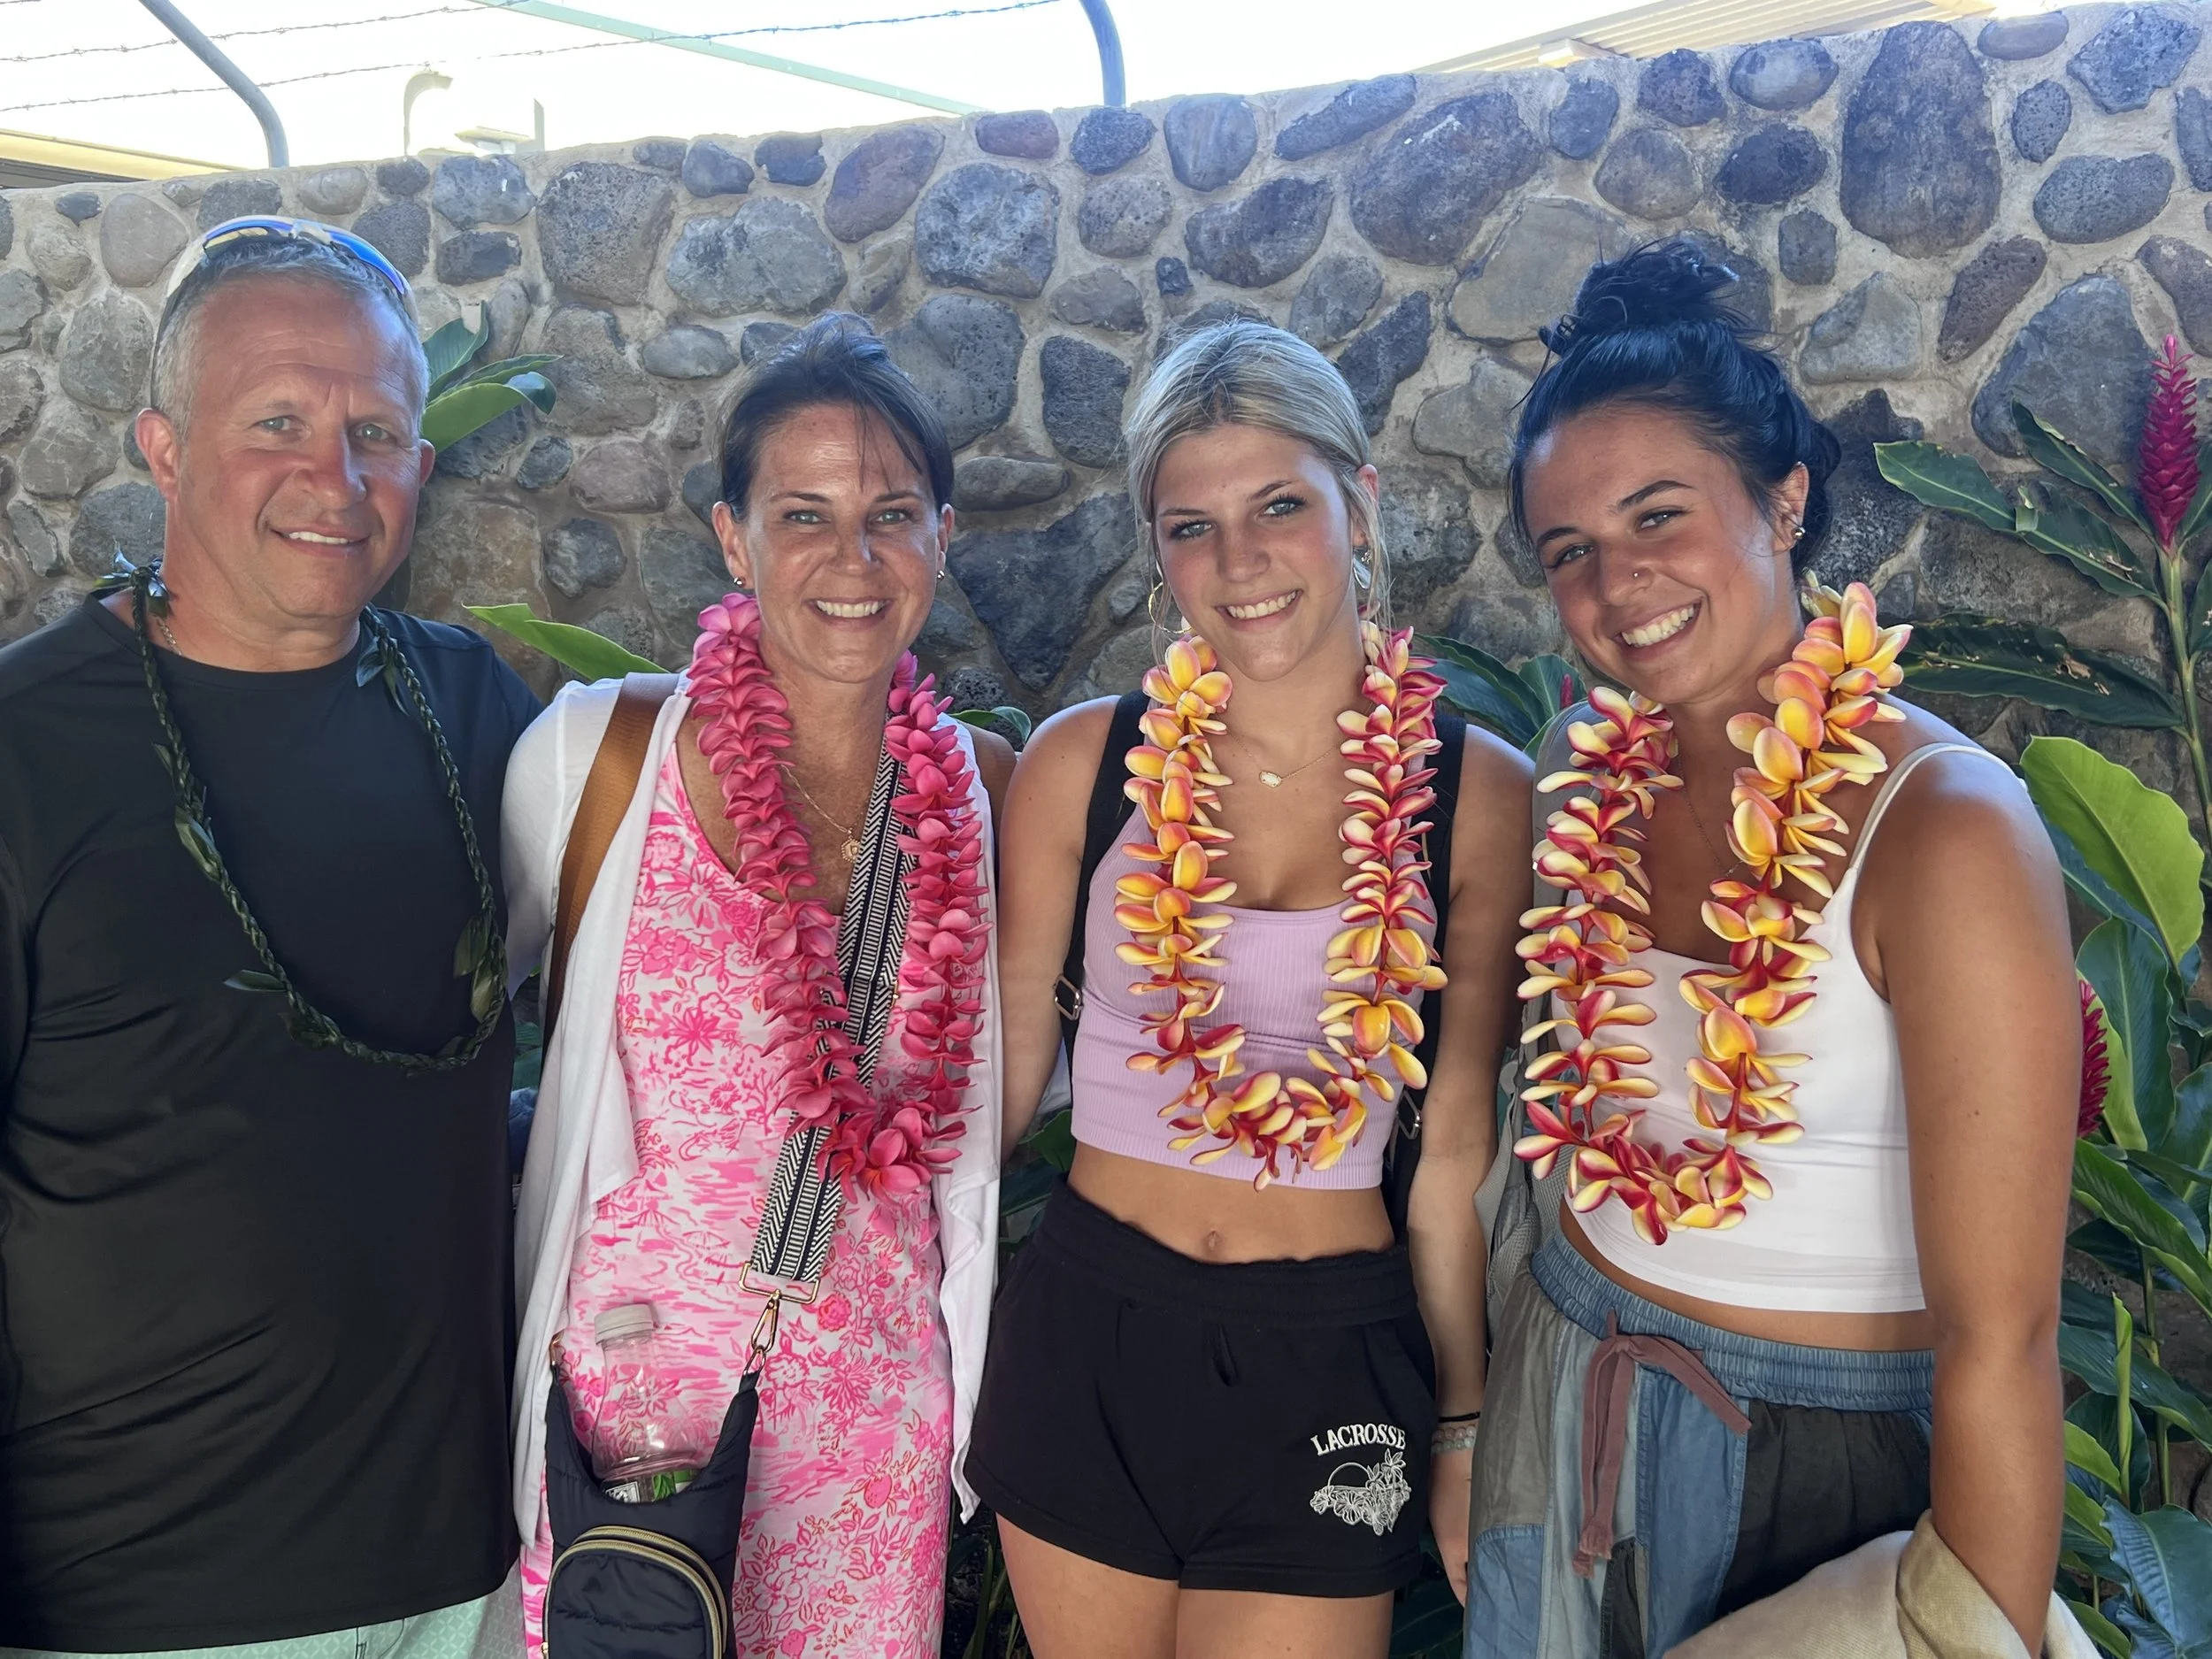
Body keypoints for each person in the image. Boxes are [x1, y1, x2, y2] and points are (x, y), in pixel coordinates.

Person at [1468, 242, 2077, 1656]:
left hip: (1818, 1468)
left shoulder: (1945, 829)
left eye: (1658, 514)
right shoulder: (1583, 772)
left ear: (1785, 498)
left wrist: (1966, 1628)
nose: (1620, 585)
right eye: (1571, 551)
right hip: (1566, 1392)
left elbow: (2005, 1341)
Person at [0, 219, 538, 1655]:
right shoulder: (21, 753)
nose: (336, 476)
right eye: (278, 421)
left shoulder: (477, 709)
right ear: (164, 446)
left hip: (461, 1577)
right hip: (141, 1597)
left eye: (377, 428)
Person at [971, 319, 1531, 1659]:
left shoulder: (1480, 796)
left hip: (1328, 1356)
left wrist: (1459, 1423)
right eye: (1189, 525)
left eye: (1280, 504)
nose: (1240, 563)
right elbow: (992, 1084)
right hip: (1087, 1335)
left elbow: (1453, 1144)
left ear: (1360, 501)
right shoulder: (1082, 767)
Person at [503, 312, 1013, 1656]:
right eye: (804, 513)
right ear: (732, 538)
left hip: (873, 1422)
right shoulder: (596, 761)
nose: (853, 559)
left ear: (942, 537)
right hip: (638, 1415)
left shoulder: (978, 792)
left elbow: (1003, 1096)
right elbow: (457, 1034)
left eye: (893, 512)